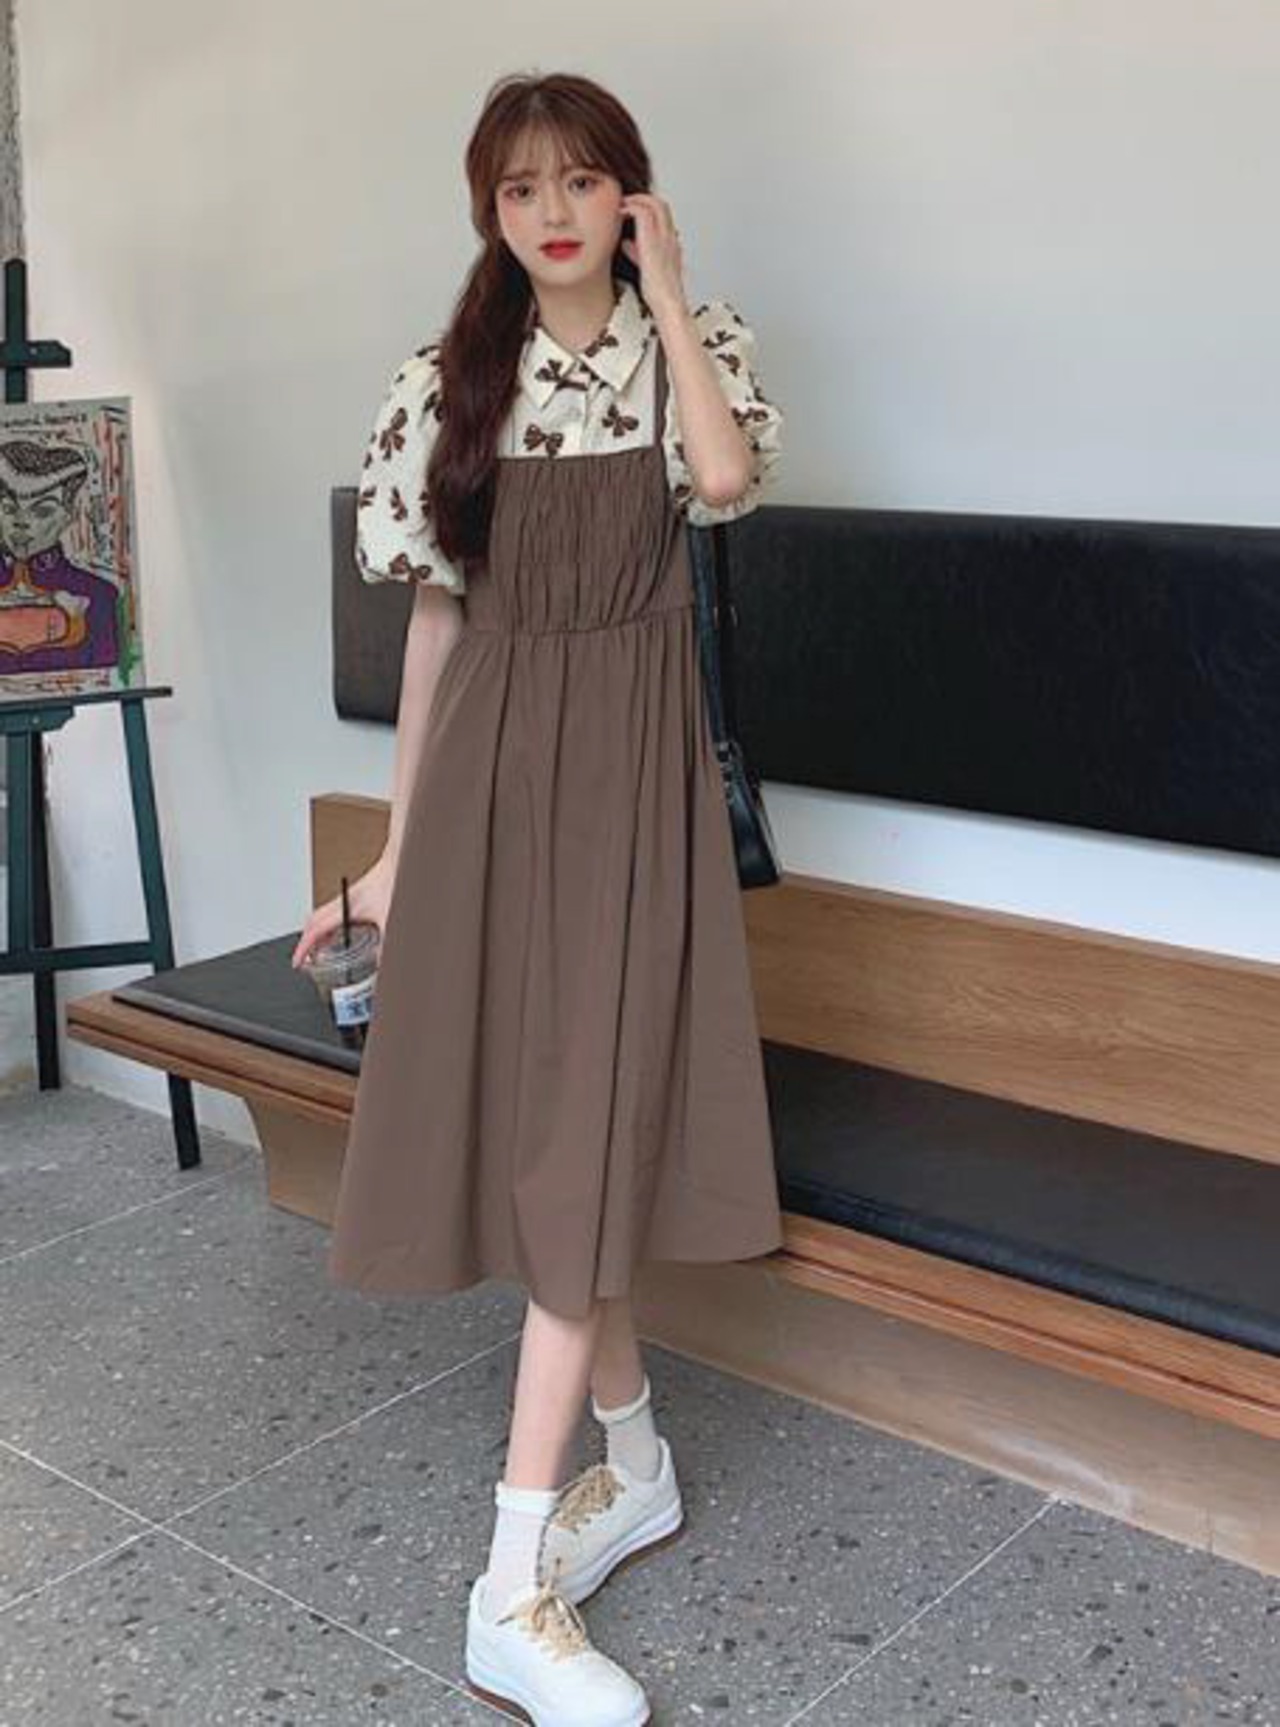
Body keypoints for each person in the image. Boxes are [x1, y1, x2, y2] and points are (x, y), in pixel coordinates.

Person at [292, 69, 785, 1726]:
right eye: (519, 189)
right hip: (498, 784)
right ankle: (626, 1469)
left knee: (585, 1132)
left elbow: (724, 482)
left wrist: (671, 291)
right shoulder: (446, 382)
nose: (551, 212)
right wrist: (392, 853)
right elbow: (437, 630)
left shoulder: (687, 347)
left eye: (581, 181)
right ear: (488, 214)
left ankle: (510, 1583)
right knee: (558, 1132)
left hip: (633, 779)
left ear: (629, 195)